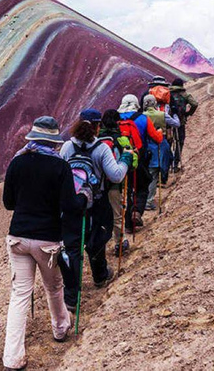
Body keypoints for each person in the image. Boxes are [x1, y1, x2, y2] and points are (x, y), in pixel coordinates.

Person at [2, 116, 76, 370]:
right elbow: (68, 206)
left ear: (33, 138)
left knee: (20, 295)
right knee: (54, 286)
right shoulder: (60, 167)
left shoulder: (17, 162)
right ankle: (60, 328)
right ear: (54, 141)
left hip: (17, 237)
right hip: (48, 239)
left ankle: (12, 358)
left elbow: (8, 203)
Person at [58, 109, 131, 312]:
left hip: (71, 204)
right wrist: (125, 159)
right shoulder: (101, 149)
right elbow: (115, 176)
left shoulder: (66, 147)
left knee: (72, 247)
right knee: (97, 240)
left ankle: (71, 296)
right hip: (96, 203)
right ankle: (100, 275)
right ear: (98, 126)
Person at [117, 94, 163, 229]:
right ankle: (136, 212)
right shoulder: (143, 118)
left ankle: (126, 220)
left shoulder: (116, 119)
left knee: (126, 189)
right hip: (139, 157)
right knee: (141, 186)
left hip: (119, 158)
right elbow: (156, 138)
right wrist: (160, 132)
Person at [98, 109, 133, 255]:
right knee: (117, 213)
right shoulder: (121, 139)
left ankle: (98, 245)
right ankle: (120, 242)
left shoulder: (95, 139)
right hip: (114, 183)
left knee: (99, 215)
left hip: (97, 185)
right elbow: (133, 162)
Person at [142, 95, 174, 210]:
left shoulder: (142, 116)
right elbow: (176, 124)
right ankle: (149, 201)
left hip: (146, 147)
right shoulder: (162, 114)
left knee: (149, 173)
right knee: (155, 175)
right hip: (160, 145)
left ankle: (145, 200)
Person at [169, 78, 198, 171]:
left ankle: (167, 163)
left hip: (168, 122)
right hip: (181, 122)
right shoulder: (185, 95)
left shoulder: (168, 94)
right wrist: (188, 113)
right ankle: (175, 164)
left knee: (169, 142)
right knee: (179, 142)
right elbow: (194, 104)